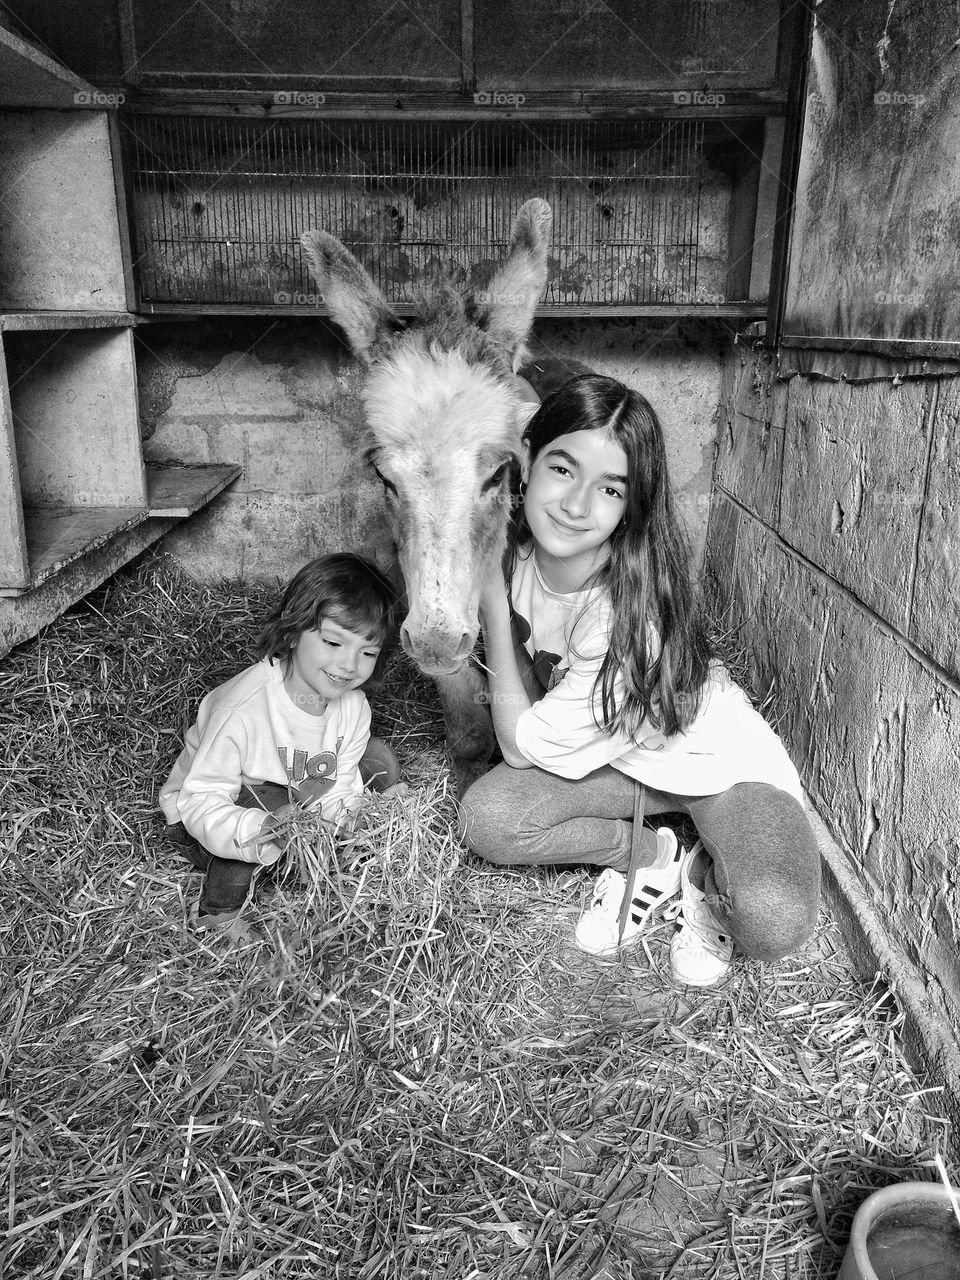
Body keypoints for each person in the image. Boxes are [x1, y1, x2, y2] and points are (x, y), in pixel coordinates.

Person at [460, 375, 820, 987]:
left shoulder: (624, 613)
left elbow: (520, 744)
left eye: (609, 488)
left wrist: (492, 606)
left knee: (773, 920)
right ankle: (653, 857)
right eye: (562, 469)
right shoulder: (510, 547)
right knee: (487, 820)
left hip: (710, 763)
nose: (576, 505)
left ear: (632, 504)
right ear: (525, 463)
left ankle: (707, 881)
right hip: (613, 763)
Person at [160, 552, 405, 939]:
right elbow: (201, 800)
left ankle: (308, 844)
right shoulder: (242, 709)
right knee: (268, 803)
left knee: (379, 761)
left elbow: (339, 785)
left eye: (368, 652)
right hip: (212, 809)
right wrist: (267, 825)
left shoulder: (353, 705)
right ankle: (218, 910)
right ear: (292, 633)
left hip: (298, 790)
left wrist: (354, 820)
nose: (349, 665)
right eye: (332, 642)